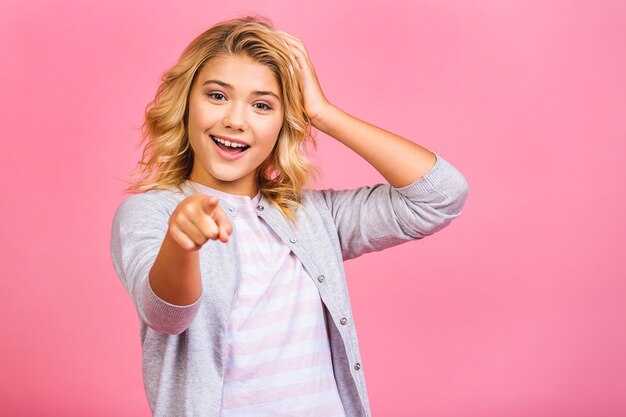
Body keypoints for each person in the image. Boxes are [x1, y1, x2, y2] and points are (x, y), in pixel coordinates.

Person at [110, 15, 469, 417]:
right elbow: (165, 317)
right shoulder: (148, 213)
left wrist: (324, 112)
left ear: (283, 124)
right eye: (217, 95)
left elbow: (440, 196)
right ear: (186, 102)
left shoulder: (315, 217)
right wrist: (181, 242)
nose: (236, 120)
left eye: (262, 105)